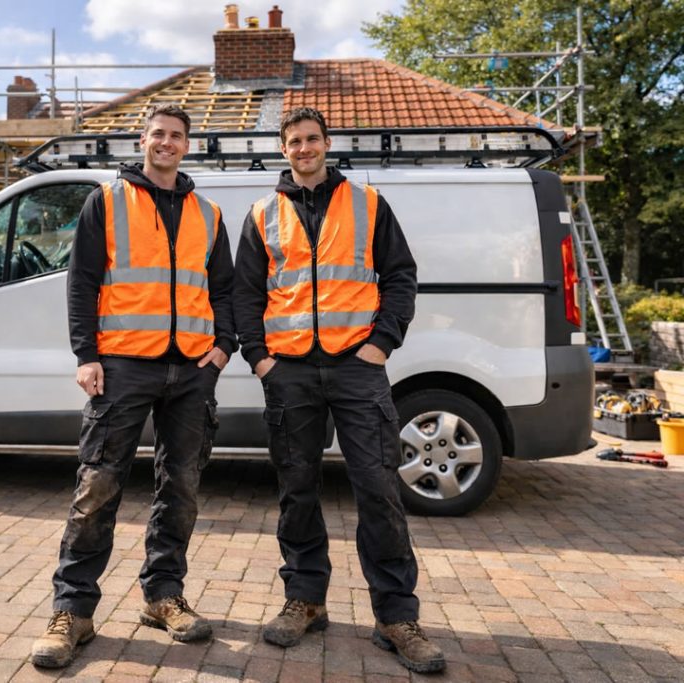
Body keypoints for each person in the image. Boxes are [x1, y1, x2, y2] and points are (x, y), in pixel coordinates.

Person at [233, 107, 445, 674]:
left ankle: (396, 616)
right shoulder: (262, 213)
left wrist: (382, 342)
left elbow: (400, 275)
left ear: (327, 143)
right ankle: (305, 600)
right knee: (297, 488)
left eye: (312, 139)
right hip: (290, 372)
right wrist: (259, 359)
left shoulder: (368, 204)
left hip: (357, 367)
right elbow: (245, 294)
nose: (303, 148)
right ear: (283, 149)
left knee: (378, 489)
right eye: (294, 141)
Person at [31, 104, 236, 668]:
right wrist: (86, 354)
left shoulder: (208, 212)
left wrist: (222, 349)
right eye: (157, 135)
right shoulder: (108, 201)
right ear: (141, 141)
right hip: (123, 366)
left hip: (192, 369)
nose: (166, 143)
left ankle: (163, 595)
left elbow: (224, 288)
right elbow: (83, 282)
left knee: (183, 487)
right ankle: (73, 609)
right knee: (97, 486)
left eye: (176, 136)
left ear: (187, 145)